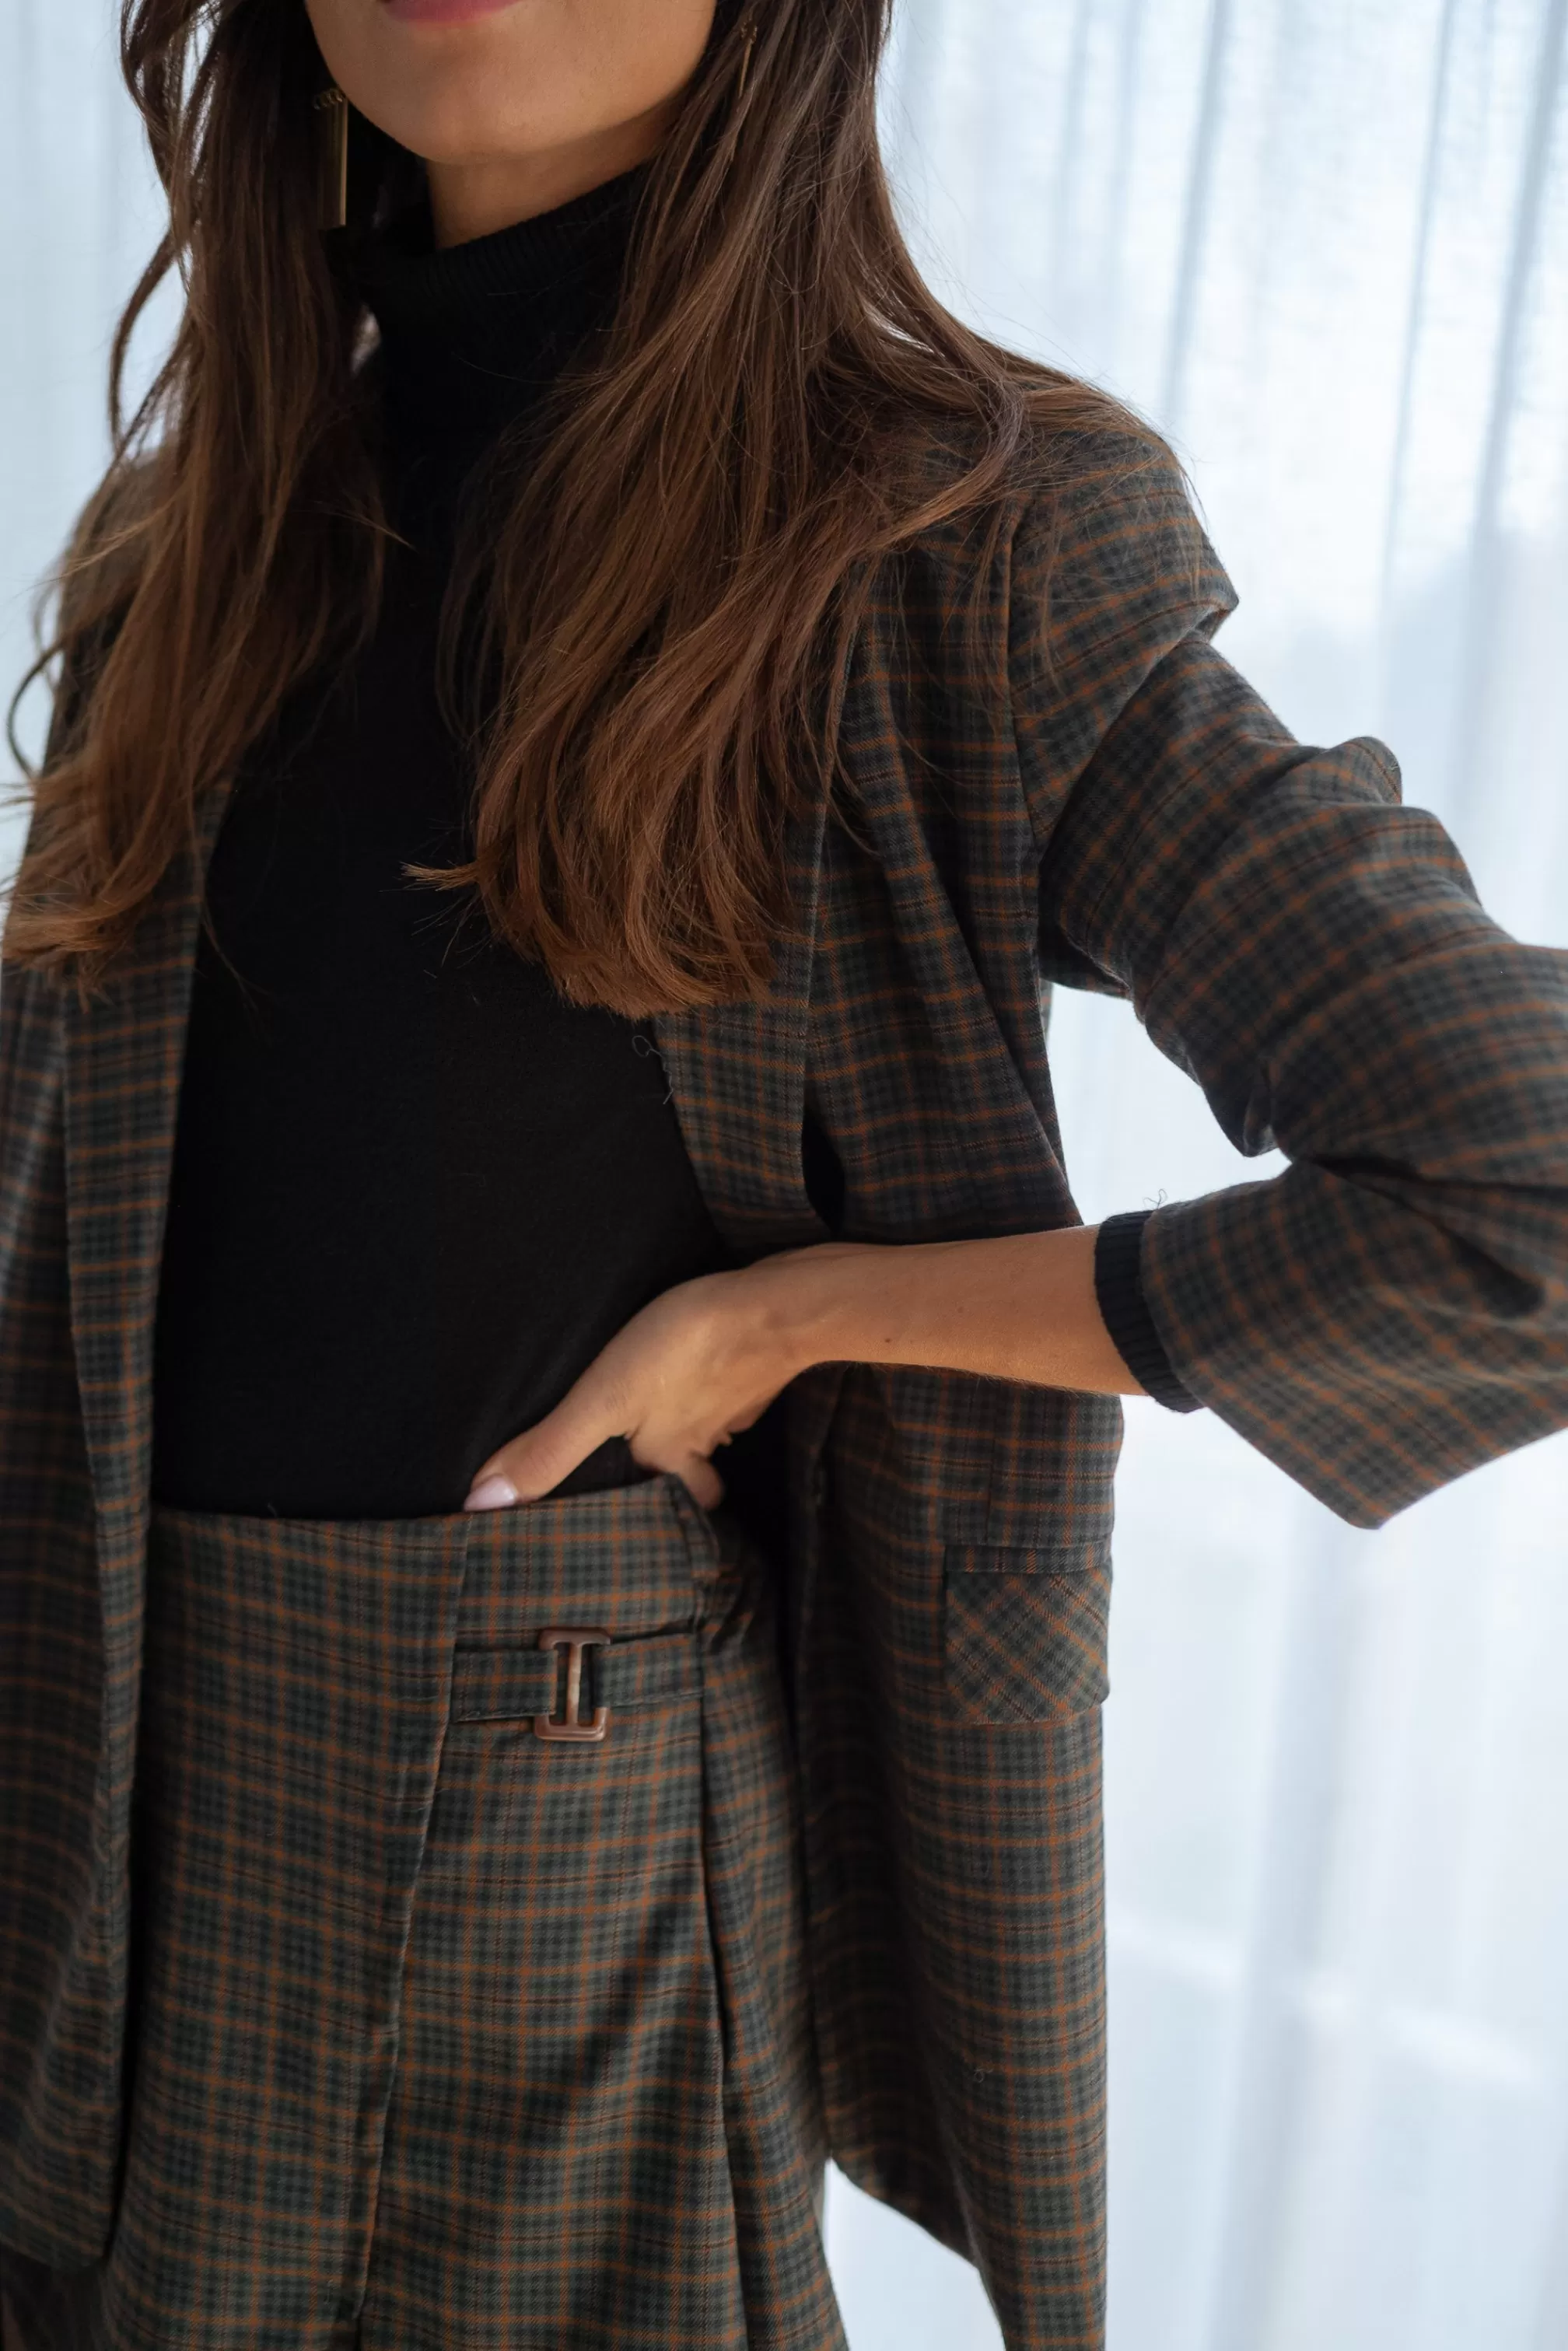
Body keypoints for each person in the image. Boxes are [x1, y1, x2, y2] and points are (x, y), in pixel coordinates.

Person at [1, 0, 1564, 2343]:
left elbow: (1520, 1190)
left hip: (545, 1876)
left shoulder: (961, 538)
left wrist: (803, 1310)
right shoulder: (187, 544)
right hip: (84, 1805)